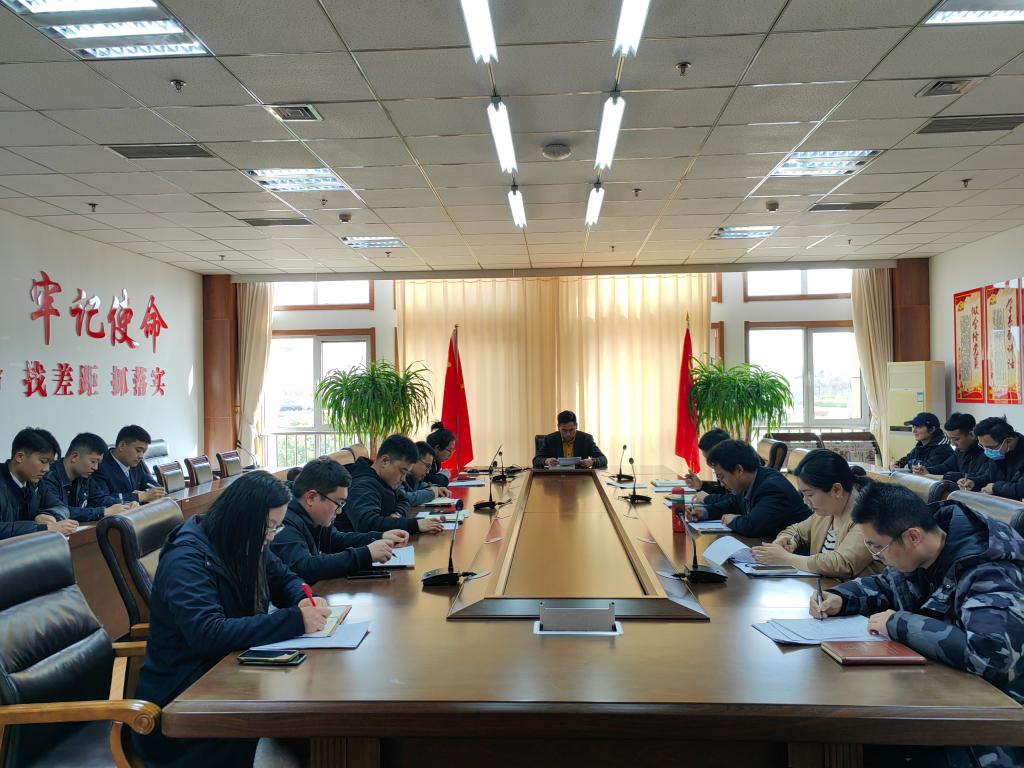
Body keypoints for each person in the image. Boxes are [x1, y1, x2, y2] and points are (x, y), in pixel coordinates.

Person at [812, 483, 1024, 768]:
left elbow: (991, 656)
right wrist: (842, 597)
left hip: (992, 722)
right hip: (942, 694)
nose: (876, 556)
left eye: (878, 547)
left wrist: (899, 623)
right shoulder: (924, 553)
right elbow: (888, 585)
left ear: (912, 536)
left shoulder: (990, 571)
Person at [134, 471, 332, 768]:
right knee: (306, 729)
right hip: (187, 699)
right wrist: (295, 620)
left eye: (276, 527)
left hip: (231, 673)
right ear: (243, 519)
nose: (271, 536)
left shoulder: (243, 540)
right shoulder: (186, 558)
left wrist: (301, 598)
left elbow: (283, 577)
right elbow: (208, 632)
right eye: (269, 526)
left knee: (313, 721)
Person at [270, 458, 408, 583]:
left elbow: (335, 540)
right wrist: (365, 554)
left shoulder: (315, 516)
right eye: (339, 503)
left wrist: (381, 536)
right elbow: (304, 567)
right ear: (311, 497)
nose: (340, 511)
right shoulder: (282, 520)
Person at [752, 449, 883, 579]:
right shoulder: (828, 511)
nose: (805, 501)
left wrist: (787, 558)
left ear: (836, 490)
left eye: (810, 495)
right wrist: (787, 540)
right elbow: (796, 530)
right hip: (822, 589)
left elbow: (842, 564)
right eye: (803, 494)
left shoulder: (868, 516)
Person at [686, 439, 809, 538]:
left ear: (739, 470)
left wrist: (733, 520)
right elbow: (732, 503)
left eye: (721, 477)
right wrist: (705, 512)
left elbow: (752, 526)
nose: (722, 484)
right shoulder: (751, 480)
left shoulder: (772, 487)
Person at [339, 434, 444, 535]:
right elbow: (367, 524)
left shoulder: (383, 478)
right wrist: (415, 525)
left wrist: (397, 515)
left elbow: (404, 500)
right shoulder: (361, 485)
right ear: (385, 461)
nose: (403, 479)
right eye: (402, 471)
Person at [42, 431, 135, 522]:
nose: (96, 467)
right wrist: (103, 512)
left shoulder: (84, 476)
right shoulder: (49, 477)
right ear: (74, 456)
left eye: (98, 463)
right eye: (93, 461)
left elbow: (99, 498)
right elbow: (60, 511)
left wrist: (125, 504)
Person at [0, 428, 76, 539]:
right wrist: (42, 528)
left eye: (50, 463)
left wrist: (47, 516)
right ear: (20, 457)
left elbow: (61, 507)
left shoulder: (36, 482)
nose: (47, 469)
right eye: (43, 461)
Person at [93, 425, 166, 506]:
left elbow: (151, 484)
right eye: (138, 450)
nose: (141, 456)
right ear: (122, 446)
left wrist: (150, 493)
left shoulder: (137, 462)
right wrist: (140, 496)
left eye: (143, 452)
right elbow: (102, 499)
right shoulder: (100, 466)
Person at [913, 412, 990, 486]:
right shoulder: (960, 450)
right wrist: (927, 470)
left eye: (956, 439)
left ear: (971, 435)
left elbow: (978, 477)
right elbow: (946, 466)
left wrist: (944, 477)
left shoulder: (987, 451)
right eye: (950, 439)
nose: (953, 444)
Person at [969, 416, 1024, 500]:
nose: (987, 451)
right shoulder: (1000, 451)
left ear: (1009, 441)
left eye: (990, 447)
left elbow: (1020, 490)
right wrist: (973, 482)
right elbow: (989, 476)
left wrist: (995, 488)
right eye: (983, 446)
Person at [532, 410, 608, 469]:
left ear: (576, 426)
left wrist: (592, 461)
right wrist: (546, 461)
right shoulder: (550, 439)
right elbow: (536, 460)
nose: (568, 434)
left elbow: (603, 459)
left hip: (580, 478)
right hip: (556, 477)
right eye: (564, 430)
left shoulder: (586, 439)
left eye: (571, 430)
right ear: (558, 427)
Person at [685, 428, 732, 499]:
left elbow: (732, 499)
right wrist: (701, 485)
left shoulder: (733, 468)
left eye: (711, 460)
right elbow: (722, 491)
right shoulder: (724, 465)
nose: (709, 464)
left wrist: (708, 499)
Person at [401, 441, 452, 507]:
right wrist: (432, 493)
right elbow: (405, 498)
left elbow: (424, 485)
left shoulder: (414, 479)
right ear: (414, 460)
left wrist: (438, 488)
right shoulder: (399, 477)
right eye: (427, 466)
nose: (427, 472)